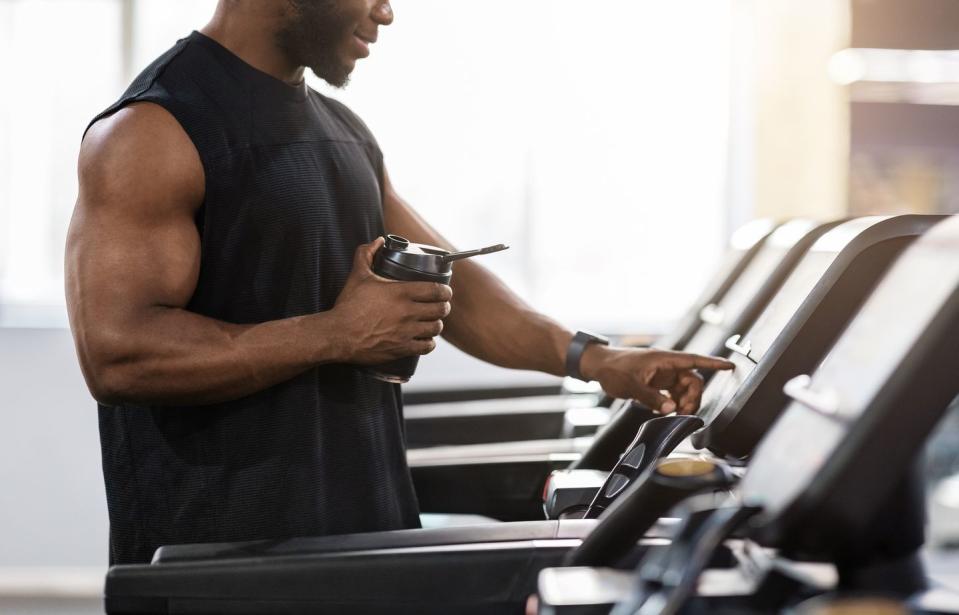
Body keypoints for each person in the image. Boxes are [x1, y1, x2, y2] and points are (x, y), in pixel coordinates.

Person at [66, 0, 734, 565]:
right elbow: (121, 353)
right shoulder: (152, 130)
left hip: (357, 538)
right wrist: (335, 334)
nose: (386, 11)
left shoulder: (341, 132)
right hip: (224, 561)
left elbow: (455, 280)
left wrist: (599, 360)